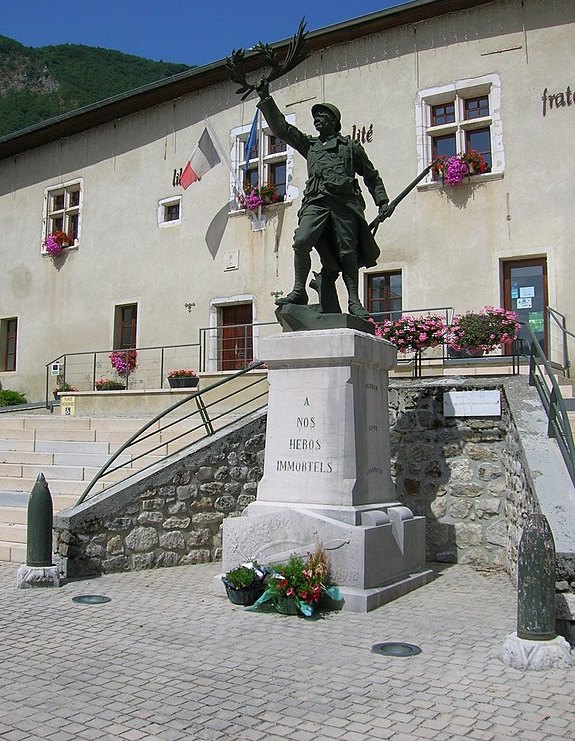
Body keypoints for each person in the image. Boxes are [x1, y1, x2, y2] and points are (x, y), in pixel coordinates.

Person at [256, 81, 394, 319]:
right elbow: (281, 129)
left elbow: (371, 176)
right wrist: (265, 98)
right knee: (301, 241)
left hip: (345, 205)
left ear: (333, 121)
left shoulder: (351, 148)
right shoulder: (310, 145)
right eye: (315, 116)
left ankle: (353, 301)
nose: (317, 119)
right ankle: (299, 291)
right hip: (316, 202)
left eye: (322, 115)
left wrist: (382, 201)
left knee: (347, 253)